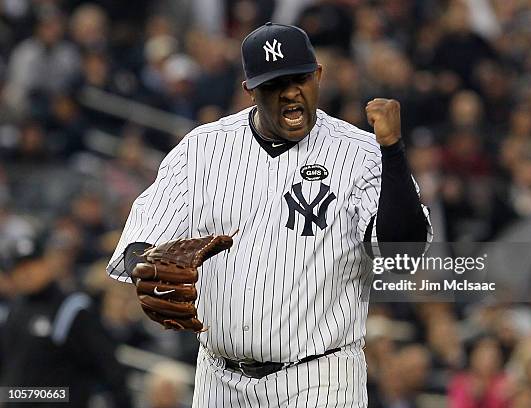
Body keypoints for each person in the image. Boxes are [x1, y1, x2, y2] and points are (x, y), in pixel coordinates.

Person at [107, 22, 431, 406]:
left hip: (319, 378)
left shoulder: (361, 154)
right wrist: (143, 265)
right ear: (250, 90)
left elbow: (402, 254)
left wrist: (392, 151)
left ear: (318, 76)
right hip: (219, 378)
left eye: (300, 79)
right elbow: (142, 235)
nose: (291, 93)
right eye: (275, 84)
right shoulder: (202, 149)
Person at [0, 235, 133, 407]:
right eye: (19, 268)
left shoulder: (71, 308)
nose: (27, 273)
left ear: (46, 262)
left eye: (32, 264)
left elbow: (108, 366)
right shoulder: (15, 310)